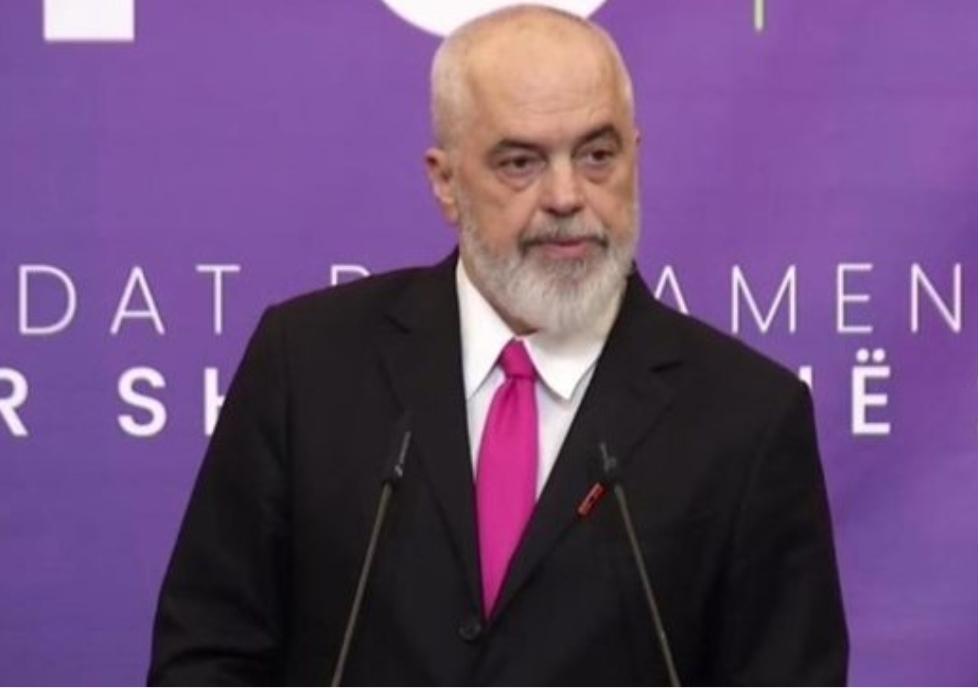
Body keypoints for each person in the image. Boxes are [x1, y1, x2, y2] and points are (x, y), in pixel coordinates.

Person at [148, 4, 848, 685]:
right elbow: (206, 658)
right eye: (520, 163)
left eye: (597, 155)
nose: (566, 195)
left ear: (634, 158)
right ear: (445, 182)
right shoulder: (307, 365)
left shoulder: (748, 417)